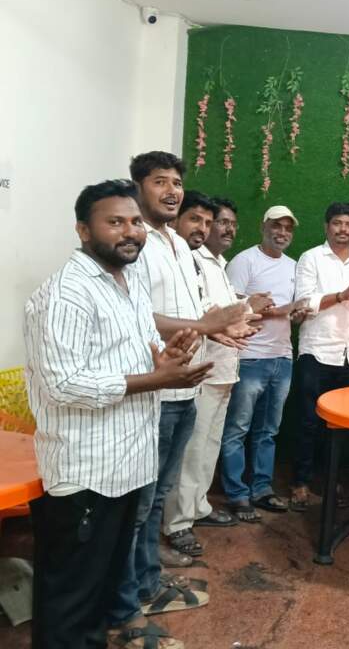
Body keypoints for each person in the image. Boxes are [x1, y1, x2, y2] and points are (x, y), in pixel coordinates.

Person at [24, 179, 211, 649]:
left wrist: (163, 360)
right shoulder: (67, 293)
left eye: (134, 222)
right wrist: (157, 379)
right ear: (83, 230)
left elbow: (122, 359)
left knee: (101, 589)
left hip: (126, 464)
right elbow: (64, 384)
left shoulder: (126, 283)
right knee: (72, 600)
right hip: (87, 471)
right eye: (115, 222)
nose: (130, 231)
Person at [109, 152, 253, 638]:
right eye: (160, 182)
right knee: (138, 504)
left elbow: (189, 311)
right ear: (137, 187)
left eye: (176, 182)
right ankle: (125, 605)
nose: (171, 191)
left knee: (157, 498)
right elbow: (140, 315)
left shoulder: (174, 242)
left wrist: (219, 327)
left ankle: (148, 582)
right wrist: (205, 325)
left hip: (184, 386)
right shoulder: (137, 245)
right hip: (152, 390)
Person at [162, 194, 263, 556]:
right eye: (214, 222)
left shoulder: (218, 263)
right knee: (192, 450)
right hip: (201, 368)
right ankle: (178, 522)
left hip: (223, 367)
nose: (219, 229)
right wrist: (243, 310)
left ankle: (198, 506)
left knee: (209, 446)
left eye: (222, 223)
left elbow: (221, 314)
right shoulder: (191, 260)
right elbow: (206, 313)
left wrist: (242, 312)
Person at [290, 202, 349, 511]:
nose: (343, 229)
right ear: (327, 226)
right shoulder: (311, 258)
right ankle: (300, 483)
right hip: (317, 351)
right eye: (337, 223)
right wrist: (341, 295)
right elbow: (304, 303)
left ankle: (332, 481)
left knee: (340, 426)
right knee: (308, 421)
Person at [222, 205, 304, 520]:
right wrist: (282, 310)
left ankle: (261, 489)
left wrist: (296, 313)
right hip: (249, 357)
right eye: (276, 226)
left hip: (282, 358)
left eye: (287, 228)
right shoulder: (244, 261)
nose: (282, 233)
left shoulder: (294, 267)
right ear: (263, 227)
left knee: (268, 431)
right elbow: (230, 311)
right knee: (237, 429)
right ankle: (236, 494)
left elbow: (292, 313)